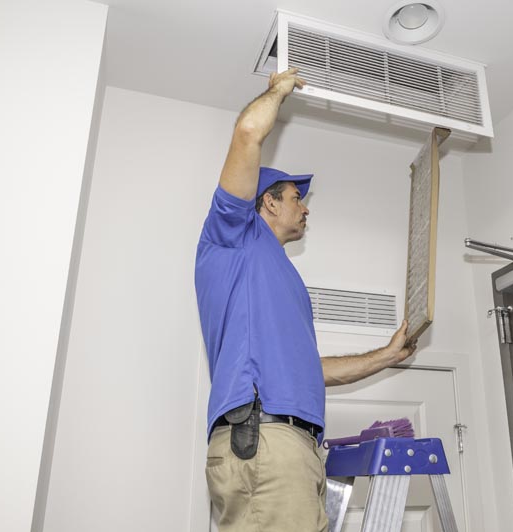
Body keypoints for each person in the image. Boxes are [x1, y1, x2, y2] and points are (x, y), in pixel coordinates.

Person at [194, 67, 418, 532]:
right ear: (268, 203)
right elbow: (248, 133)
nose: (306, 206)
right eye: (297, 196)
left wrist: (387, 356)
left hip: (291, 448)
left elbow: (311, 372)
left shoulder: (281, 279)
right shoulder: (234, 239)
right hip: (267, 442)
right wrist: (278, 90)